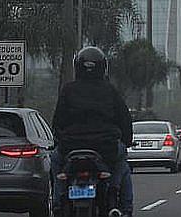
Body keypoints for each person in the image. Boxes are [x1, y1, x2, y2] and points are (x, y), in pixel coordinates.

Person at [52, 46, 134, 217]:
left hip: (70, 147)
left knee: (56, 162)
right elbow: (124, 119)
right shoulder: (110, 90)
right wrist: (127, 140)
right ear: (103, 67)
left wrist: (60, 139)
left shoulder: (68, 90)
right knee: (122, 165)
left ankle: (58, 202)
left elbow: (58, 121)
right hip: (106, 148)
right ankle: (120, 204)